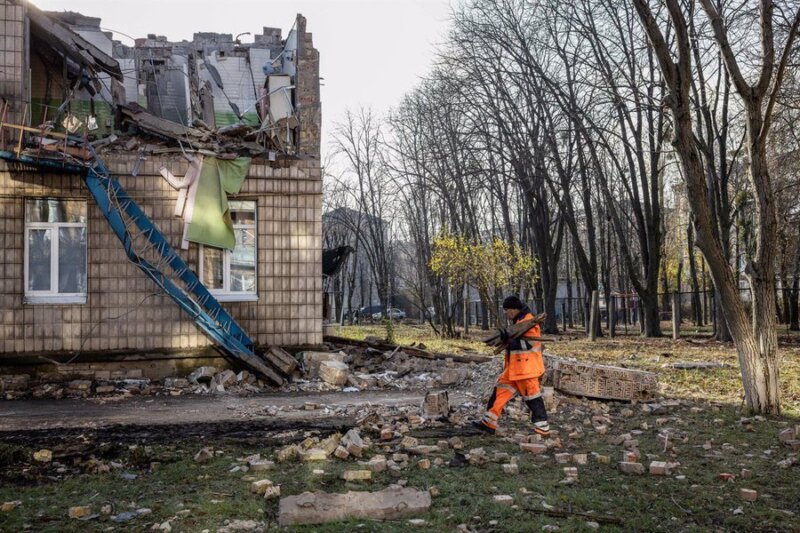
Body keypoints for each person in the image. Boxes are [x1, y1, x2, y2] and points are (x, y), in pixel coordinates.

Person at [475, 295, 551, 437]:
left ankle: (543, 427)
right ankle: (489, 421)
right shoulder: (520, 321)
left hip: (527, 369)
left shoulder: (529, 321)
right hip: (515, 368)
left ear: (514, 309)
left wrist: (508, 339)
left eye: (507, 310)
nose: (505, 313)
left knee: (532, 398)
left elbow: (527, 344)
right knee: (500, 390)